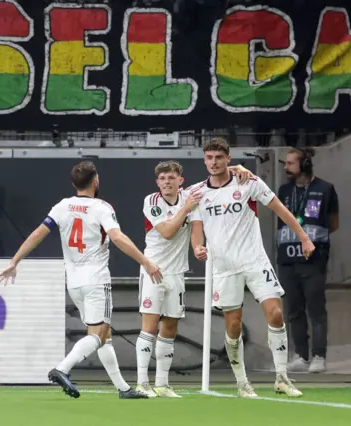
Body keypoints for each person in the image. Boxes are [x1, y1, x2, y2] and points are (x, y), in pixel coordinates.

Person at [0, 161, 162, 399]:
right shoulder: (102, 207)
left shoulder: (63, 206)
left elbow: (37, 234)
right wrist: (146, 262)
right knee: (96, 335)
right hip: (96, 280)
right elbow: (117, 237)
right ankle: (62, 369)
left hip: (73, 282)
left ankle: (123, 389)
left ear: (74, 183)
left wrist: (15, 261)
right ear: (96, 181)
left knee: (104, 337)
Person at [189, 138, 315, 398]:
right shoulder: (197, 193)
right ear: (204, 160)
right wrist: (197, 248)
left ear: (227, 158)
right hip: (224, 267)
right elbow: (197, 230)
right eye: (209, 158)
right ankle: (242, 382)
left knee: (276, 314)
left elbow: (279, 208)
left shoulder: (248, 182)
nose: (214, 162)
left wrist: (303, 236)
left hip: (254, 260)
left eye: (218, 158)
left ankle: (282, 378)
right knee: (233, 327)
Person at [136, 160, 254, 398]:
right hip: (153, 271)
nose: (166, 182)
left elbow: (214, 182)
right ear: (157, 182)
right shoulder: (152, 201)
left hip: (177, 272)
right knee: (149, 327)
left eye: (171, 178)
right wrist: (186, 208)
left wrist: (238, 169)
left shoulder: (191, 196)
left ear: (181, 180)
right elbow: (168, 232)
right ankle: (141, 383)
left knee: (169, 327)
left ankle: (162, 383)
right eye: (162, 179)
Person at [278, 147, 339, 373]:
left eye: (291, 163)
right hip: (286, 259)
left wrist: (312, 240)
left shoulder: (325, 189)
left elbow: (334, 223)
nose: (286, 167)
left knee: (315, 309)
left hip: (313, 259)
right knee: (293, 309)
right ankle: (301, 356)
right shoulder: (284, 190)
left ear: (304, 164)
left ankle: (318, 356)